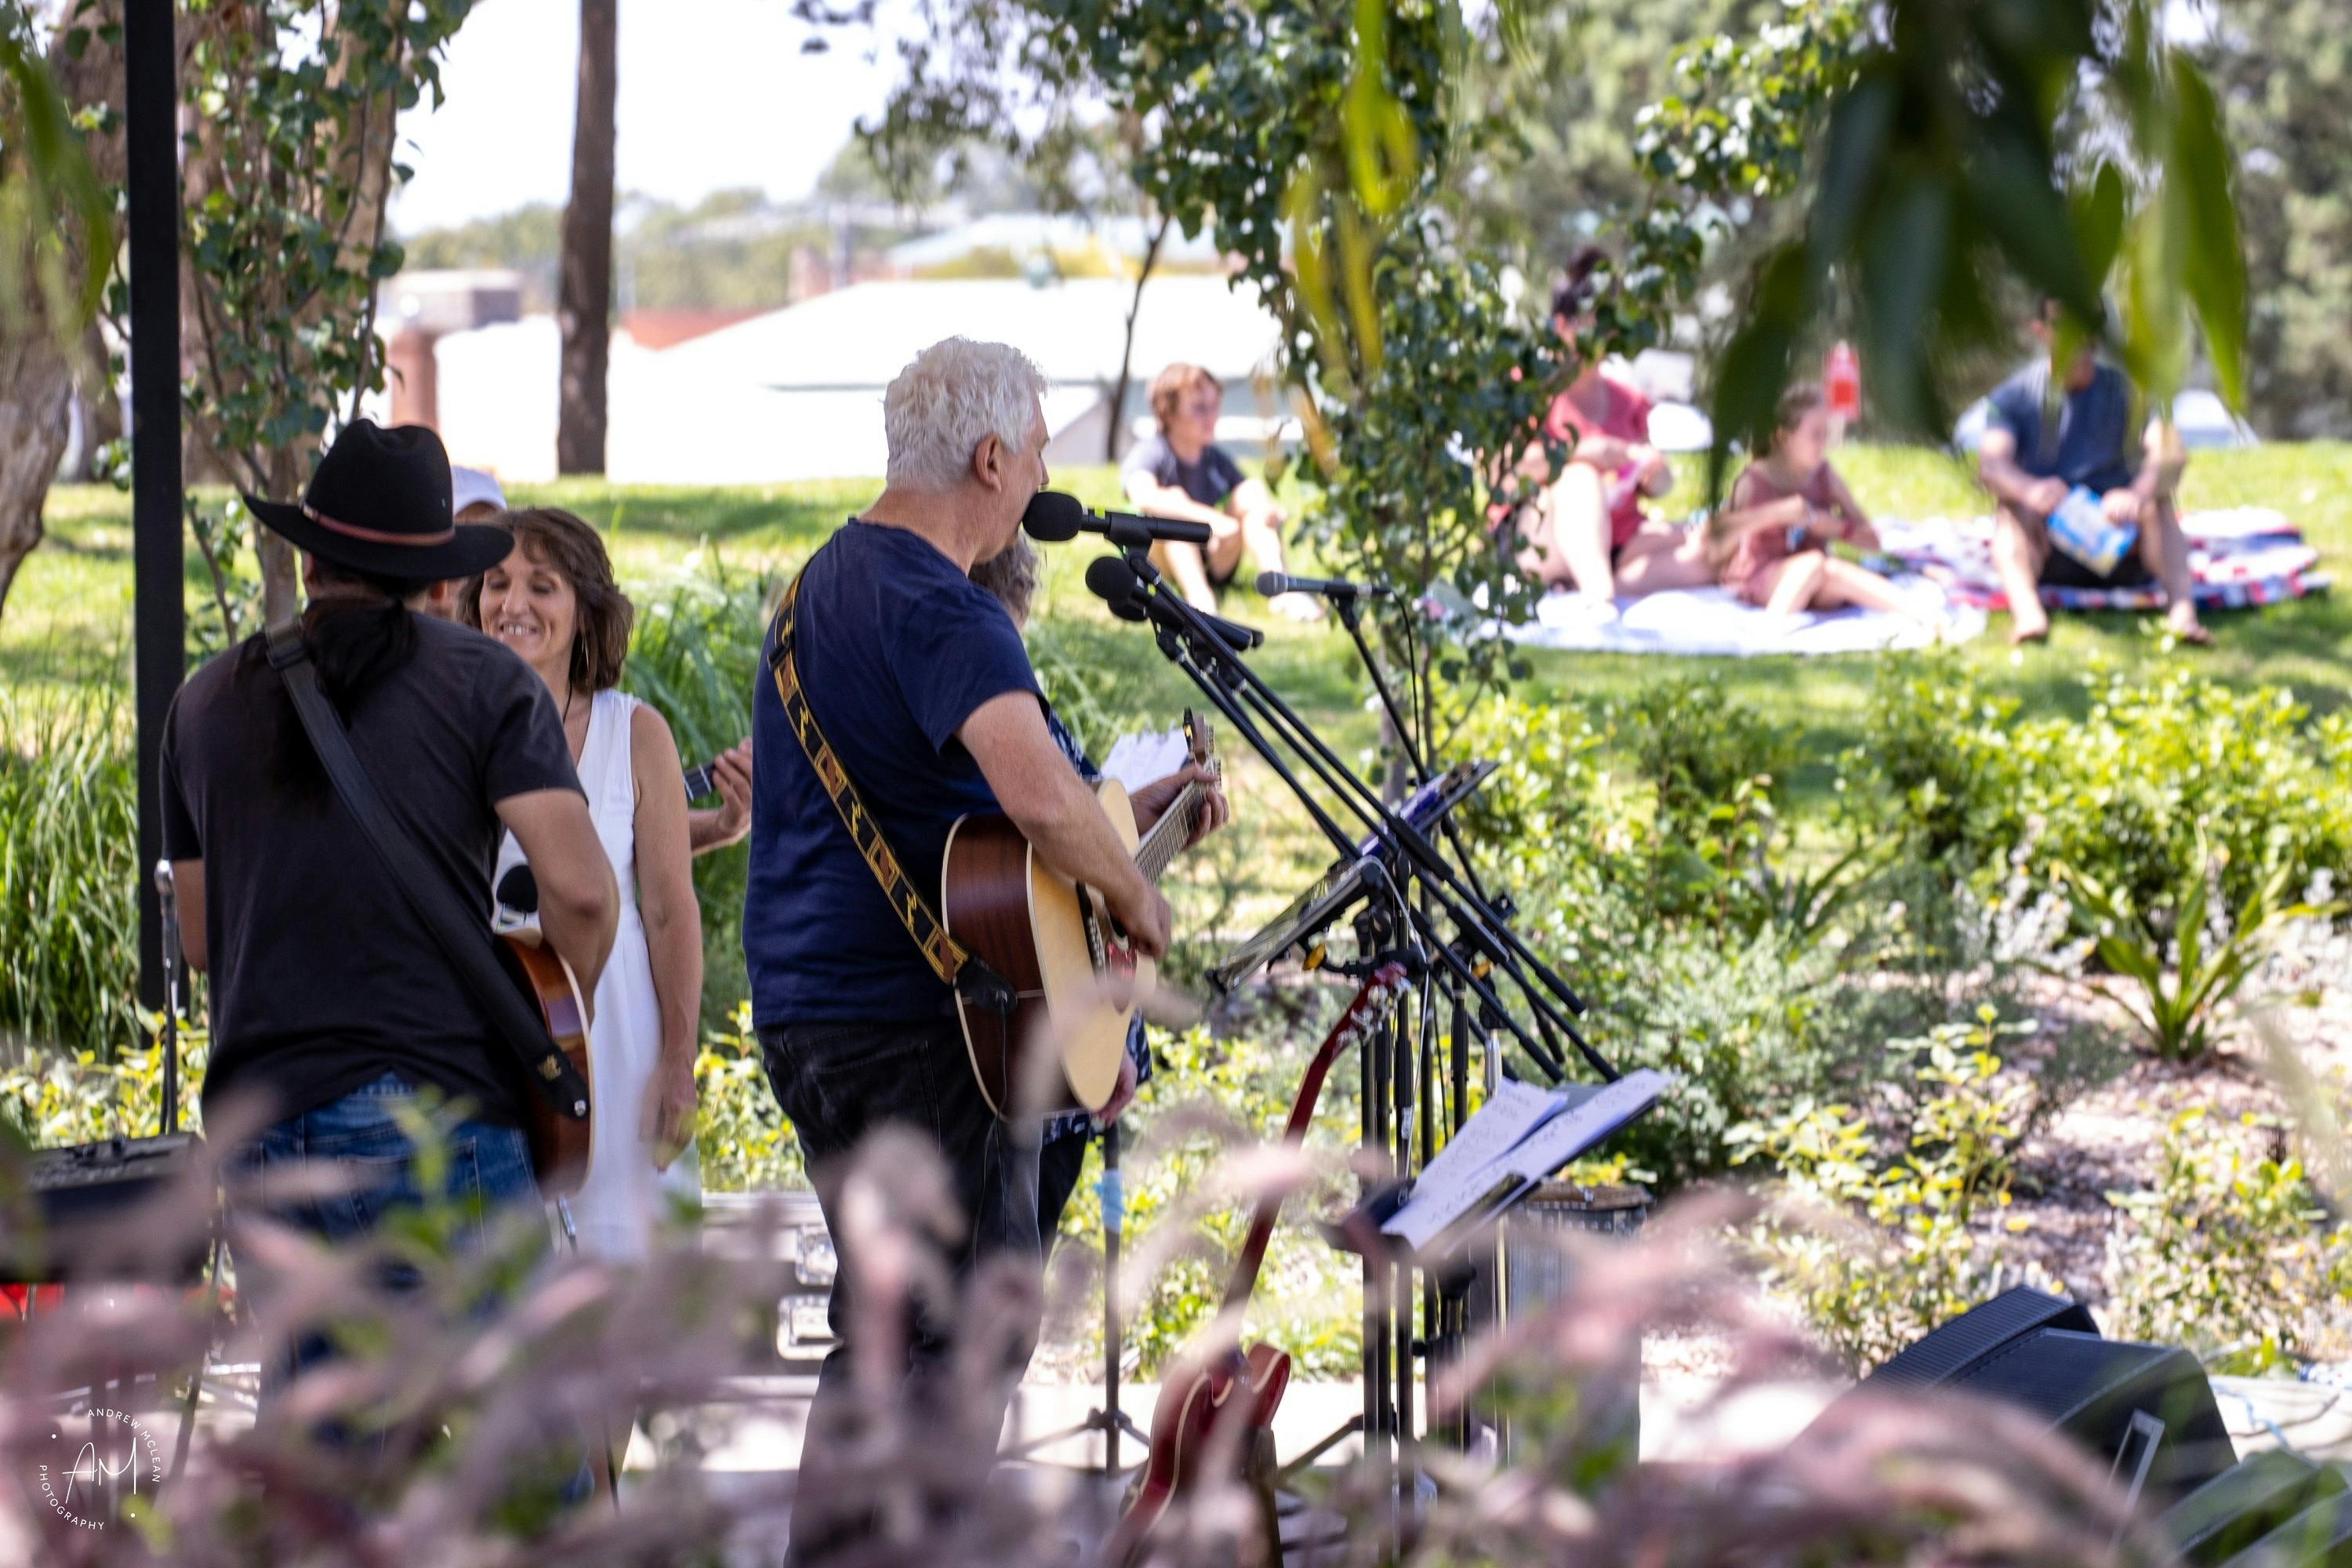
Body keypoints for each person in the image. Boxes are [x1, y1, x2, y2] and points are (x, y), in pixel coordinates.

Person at [744, 338, 1200, 1557]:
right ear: (993, 458)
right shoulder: (942, 602)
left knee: (892, 1336)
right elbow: (1040, 799)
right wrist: (1138, 903)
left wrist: (1127, 834)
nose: (1044, 475)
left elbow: (976, 829)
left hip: (814, 1013)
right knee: (952, 1349)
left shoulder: (816, 590)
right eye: (1041, 449)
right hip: (918, 1031)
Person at [161, 420, 619, 1395]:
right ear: (442, 582)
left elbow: (201, 940)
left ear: (310, 556)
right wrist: (551, 995)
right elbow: (579, 890)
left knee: (325, 1459)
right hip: (430, 1111)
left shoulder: (201, 703)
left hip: (260, 1126)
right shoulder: (483, 680)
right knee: (525, 1451)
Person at [459, 507, 704, 1264]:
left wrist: (678, 1062)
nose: (514, 604)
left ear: (585, 609)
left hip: (620, 1039)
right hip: (492, 1037)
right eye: (496, 584)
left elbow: (669, 913)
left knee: (629, 1290)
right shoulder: (448, 727)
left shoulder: (636, 732)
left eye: (543, 585)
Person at [964, 538, 1226, 1243]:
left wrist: (1144, 824)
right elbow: (1045, 861)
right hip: (1016, 1064)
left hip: (1055, 1063)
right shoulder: (1006, 717)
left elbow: (1064, 875)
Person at [1976, 301, 2206, 645]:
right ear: (2040, 332)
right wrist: (2029, 490)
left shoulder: (2135, 394)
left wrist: (2137, 494)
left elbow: (2171, 453)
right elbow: (1990, 466)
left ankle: (2182, 613)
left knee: (2160, 503)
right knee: (2009, 510)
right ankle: (2028, 614)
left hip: (2123, 543)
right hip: (2050, 545)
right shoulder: (2013, 398)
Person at [1497, 245, 1715, 601]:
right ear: (1561, 326)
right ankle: (1600, 597)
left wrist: (1655, 475)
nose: (1603, 337)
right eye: (1593, 325)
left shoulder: (1629, 401)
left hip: (1621, 541)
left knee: (1712, 540)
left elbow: (1652, 486)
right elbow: (1503, 474)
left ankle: (1611, 588)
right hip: (1538, 538)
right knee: (1581, 476)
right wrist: (1582, 452)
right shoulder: (1527, 390)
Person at [1122, 362, 1323, 621]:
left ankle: (1280, 587)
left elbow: (1247, 496)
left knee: (1251, 494)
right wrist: (1213, 519)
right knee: (1173, 514)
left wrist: (1266, 511)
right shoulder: (1153, 452)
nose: (1211, 416)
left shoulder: (1213, 459)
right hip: (1165, 560)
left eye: (1214, 406)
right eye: (1199, 408)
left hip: (1215, 556)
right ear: (1168, 413)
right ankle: (1202, 603)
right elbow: (1143, 494)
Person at [1716, 383, 1929, 623]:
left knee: (1833, 570)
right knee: (1815, 565)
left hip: (1818, 578)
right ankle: (1769, 633)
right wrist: (1777, 514)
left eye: (1826, 433)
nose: (1824, 443)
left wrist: (1835, 528)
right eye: (1816, 434)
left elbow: (1872, 541)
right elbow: (1715, 539)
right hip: (1764, 578)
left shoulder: (1824, 476)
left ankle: (1926, 617)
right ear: (1783, 437)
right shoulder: (1754, 481)